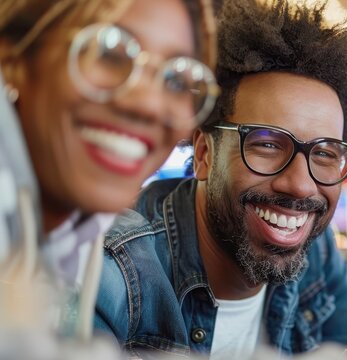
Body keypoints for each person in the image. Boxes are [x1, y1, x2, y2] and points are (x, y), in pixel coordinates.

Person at [94, 1, 347, 359]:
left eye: (325, 153)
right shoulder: (115, 272)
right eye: (267, 144)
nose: (301, 185)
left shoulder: (317, 253)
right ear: (205, 155)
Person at [0, 0, 217, 345]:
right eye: (108, 53)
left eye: (177, 81)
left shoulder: (72, 240)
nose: (148, 103)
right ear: (12, 62)